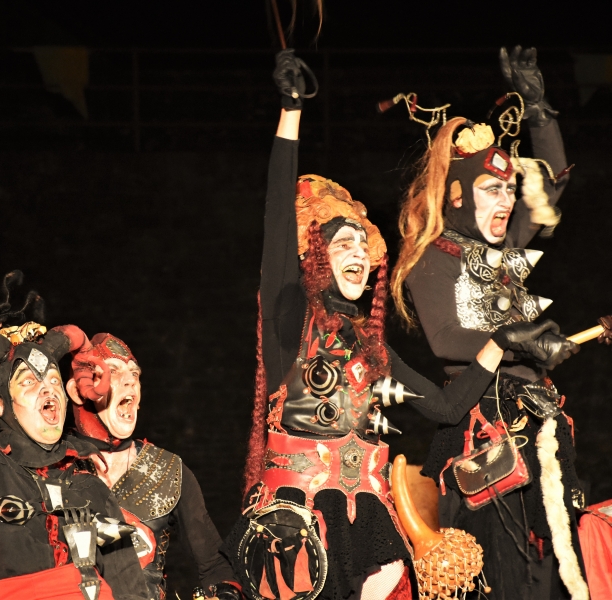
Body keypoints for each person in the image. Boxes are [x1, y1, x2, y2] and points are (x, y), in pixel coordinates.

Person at [222, 50, 560, 600]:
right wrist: (291, 110)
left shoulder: (373, 351)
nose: (359, 252)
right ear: (314, 258)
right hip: (298, 525)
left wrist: (501, 341)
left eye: (364, 244)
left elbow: (446, 408)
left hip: (369, 521)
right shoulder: (290, 325)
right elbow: (278, 219)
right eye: (343, 244)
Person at [391, 47, 589, 599]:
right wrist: (516, 340)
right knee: (504, 578)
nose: (506, 201)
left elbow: (552, 187)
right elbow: (445, 340)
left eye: (508, 189)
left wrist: (539, 110)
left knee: (554, 570)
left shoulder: (503, 247)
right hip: (483, 430)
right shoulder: (433, 257)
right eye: (490, 190)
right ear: (457, 196)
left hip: (536, 424)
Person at [0, 190, 148, 600]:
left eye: (53, 381)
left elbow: (130, 585)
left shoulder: (89, 486)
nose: (47, 389)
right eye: (27, 382)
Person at [66, 333, 241, 600]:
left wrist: (225, 593)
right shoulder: (52, 465)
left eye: (134, 374)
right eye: (113, 370)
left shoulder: (167, 470)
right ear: (79, 389)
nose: (130, 381)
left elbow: (215, 566)